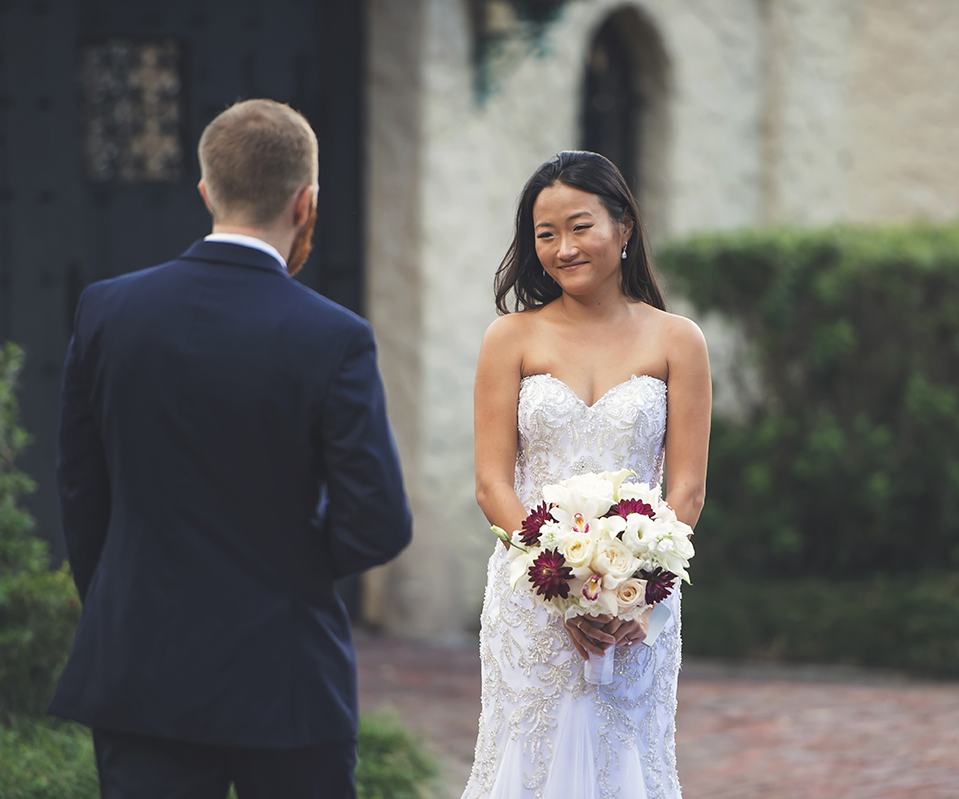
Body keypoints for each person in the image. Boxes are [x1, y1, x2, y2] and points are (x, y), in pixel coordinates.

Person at [48, 99, 413, 799]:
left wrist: (126, 592)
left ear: (206, 191)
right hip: (286, 674)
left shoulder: (107, 309)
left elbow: (80, 489)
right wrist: (289, 567)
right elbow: (379, 520)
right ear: (305, 201)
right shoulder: (332, 336)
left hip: (138, 665)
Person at [461, 151, 711, 799]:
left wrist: (640, 594)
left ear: (624, 228)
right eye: (545, 234)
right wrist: (565, 591)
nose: (563, 248)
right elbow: (492, 485)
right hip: (531, 598)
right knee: (527, 759)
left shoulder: (678, 340)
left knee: (624, 758)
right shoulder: (509, 339)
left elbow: (686, 489)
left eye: (580, 226)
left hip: (641, 604)